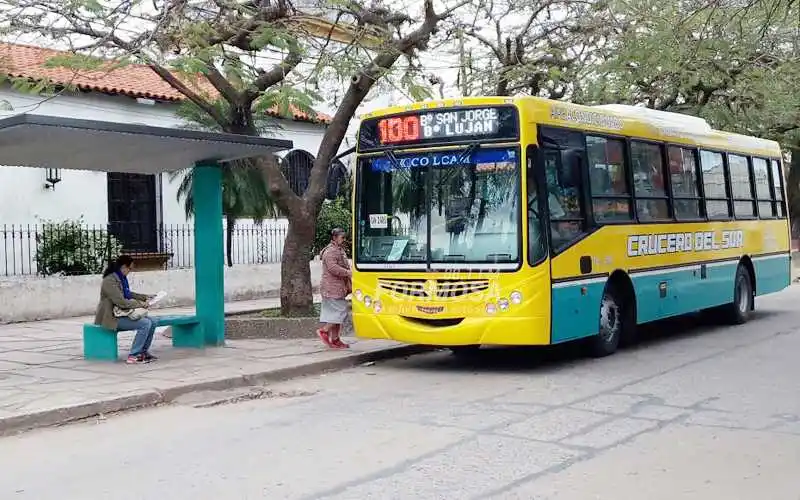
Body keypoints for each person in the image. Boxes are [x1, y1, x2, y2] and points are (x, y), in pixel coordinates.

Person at [95, 255, 157, 364]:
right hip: (112, 317)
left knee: (153, 321)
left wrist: (145, 297)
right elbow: (122, 302)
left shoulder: (120, 278)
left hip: (122, 314)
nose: (130, 271)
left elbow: (128, 294)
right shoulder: (109, 281)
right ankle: (134, 355)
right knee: (145, 323)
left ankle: (143, 352)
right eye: (130, 269)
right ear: (124, 267)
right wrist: (141, 304)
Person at [318, 228, 352, 349]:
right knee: (340, 312)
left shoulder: (337, 250)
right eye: (342, 237)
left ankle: (336, 339)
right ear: (334, 238)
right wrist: (348, 273)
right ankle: (325, 331)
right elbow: (333, 268)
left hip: (336, 288)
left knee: (336, 314)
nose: (344, 240)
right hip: (332, 288)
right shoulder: (331, 251)